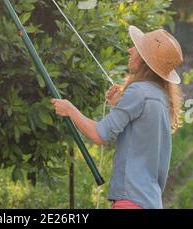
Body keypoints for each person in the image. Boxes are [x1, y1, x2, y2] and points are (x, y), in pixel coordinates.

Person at [51, 25, 183, 209]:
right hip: (150, 201)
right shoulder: (161, 97)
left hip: (131, 201)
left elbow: (99, 135)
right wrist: (119, 102)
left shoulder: (139, 92)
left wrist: (70, 110)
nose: (130, 49)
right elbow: (139, 135)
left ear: (145, 59)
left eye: (136, 48)